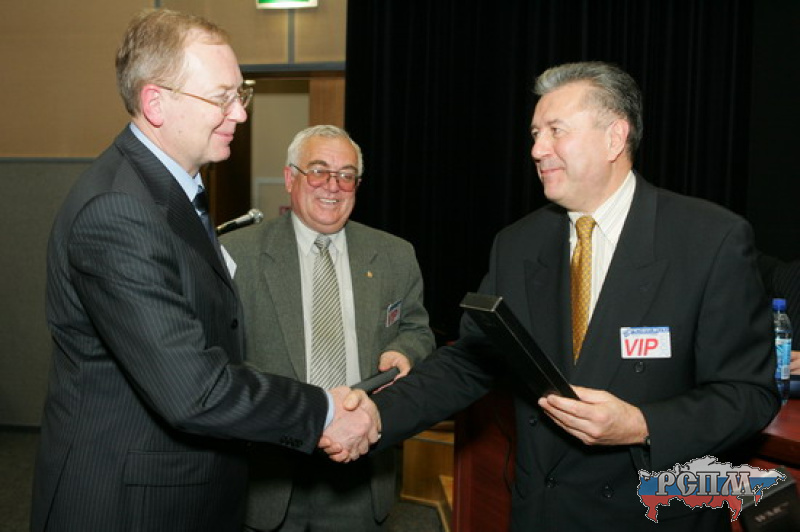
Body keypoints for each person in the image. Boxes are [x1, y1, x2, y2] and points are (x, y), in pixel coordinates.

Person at [329, 61, 781, 531]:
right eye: (535, 133)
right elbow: (469, 362)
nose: (537, 149)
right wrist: (375, 414)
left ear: (614, 138)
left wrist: (643, 424)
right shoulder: (518, 244)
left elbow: (748, 395)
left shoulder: (709, 240)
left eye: (555, 131)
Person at [32, 10, 376, 532]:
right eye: (221, 97)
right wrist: (323, 410)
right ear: (156, 102)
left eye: (241, 94)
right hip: (130, 505)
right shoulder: (118, 211)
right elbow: (193, 390)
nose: (240, 113)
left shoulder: (170, 188)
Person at [221, 125, 435, 531]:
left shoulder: (394, 255)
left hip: (360, 471)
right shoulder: (237, 254)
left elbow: (417, 328)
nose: (332, 186)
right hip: (268, 473)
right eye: (318, 171)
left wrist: (404, 350)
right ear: (290, 178)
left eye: (346, 175)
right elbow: (221, 355)